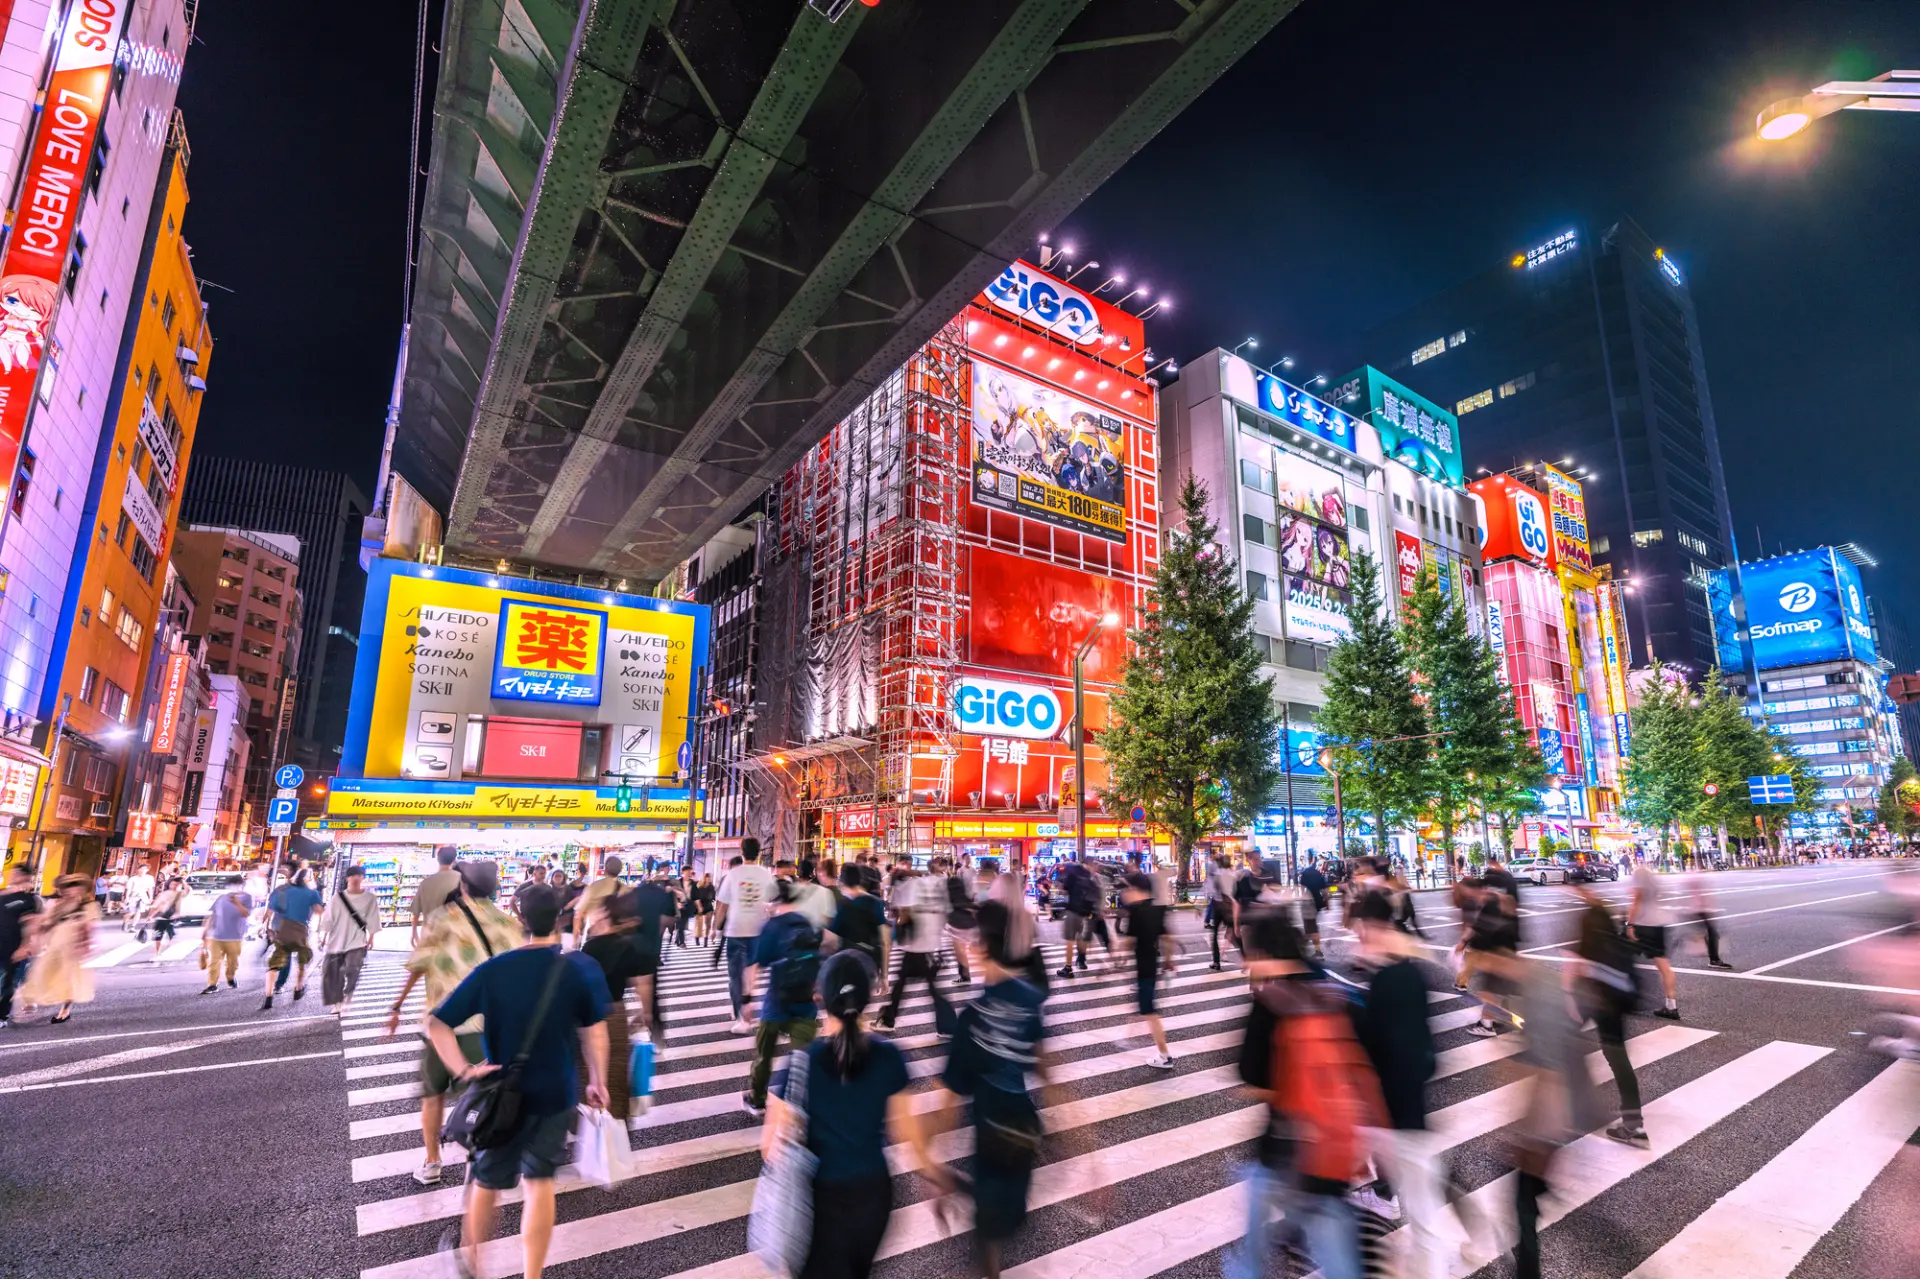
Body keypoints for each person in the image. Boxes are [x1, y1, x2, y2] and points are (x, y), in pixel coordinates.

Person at [426, 882, 609, 1279]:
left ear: (519, 917)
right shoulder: (579, 967)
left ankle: (472, 1261)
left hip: (502, 1092)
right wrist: (597, 1079)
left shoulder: (494, 971)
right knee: (540, 1182)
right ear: (560, 914)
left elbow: (437, 1023)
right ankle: (533, 1275)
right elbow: (594, 1031)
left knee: (487, 1181)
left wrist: (465, 1070)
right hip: (556, 1090)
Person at [758, 951, 949, 1279]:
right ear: (869, 996)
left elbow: (769, 1147)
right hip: (872, 1196)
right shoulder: (889, 1057)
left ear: (819, 995)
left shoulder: (799, 1065)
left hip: (819, 1201)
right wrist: (933, 1176)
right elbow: (908, 1134)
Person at [1229, 895, 1378, 1279]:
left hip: (1285, 1146)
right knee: (1334, 1236)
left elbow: (1252, 1074)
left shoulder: (1270, 1002)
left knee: (1253, 1245)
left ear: (1259, 950)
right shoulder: (1329, 988)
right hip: (1335, 1142)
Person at [387, 860, 523, 1185]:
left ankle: (432, 1162)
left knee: (432, 1095)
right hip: (486, 1029)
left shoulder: (442, 920)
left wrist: (396, 1007)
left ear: (463, 886)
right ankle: (477, 1161)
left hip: (442, 1026)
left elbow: (417, 966)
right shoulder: (510, 924)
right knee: (480, 1098)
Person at [941, 897, 1048, 1278]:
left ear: (985, 947)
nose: (967, 947)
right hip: (1024, 1127)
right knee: (1002, 1215)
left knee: (987, 1235)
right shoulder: (1028, 999)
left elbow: (948, 1102)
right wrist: (1085, 1149)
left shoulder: (972, 1019)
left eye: (972, 941)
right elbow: (1049, 1075)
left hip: (992, 1130)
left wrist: (926, 1161)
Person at [1349, 890, 1445, 1279]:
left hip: (1390, 1115)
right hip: (1410, 1113)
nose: (1357, 938)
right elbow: (1426, 1053)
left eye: (1359, 929)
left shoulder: (1389, 980)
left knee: (1419, 1211)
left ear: (1370, 926)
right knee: (1424, 1211)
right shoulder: (1409, 974)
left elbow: (1379, 1048)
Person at [1571, 882, 1648, 1148]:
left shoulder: (1589, 918)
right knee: (1616, 1056)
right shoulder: (1604, 914)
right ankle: (1631, 1121)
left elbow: (1579, 963)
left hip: (1601, 997)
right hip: (1616, 995)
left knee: (1566, 1042)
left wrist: (1570, 995)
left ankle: (1632, 1125)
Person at [742, 879, 824, 1116]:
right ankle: (804, 1107)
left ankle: (757, 1099)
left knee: (764, 1055)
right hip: (806, 1003)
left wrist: (747, 1000)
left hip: (776, 1003)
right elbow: (822, 955)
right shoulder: (809, 923)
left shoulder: (772, 926)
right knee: (804, 1058)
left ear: (774, 901)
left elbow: (755, 965)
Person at [880, 859, 953, 1034]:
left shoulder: (908, 886)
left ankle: (889, 1020)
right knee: (919, 984)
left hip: (918, 944)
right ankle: (947, 1025)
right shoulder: (937, 882)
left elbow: (903, 914)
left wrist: (896, 926)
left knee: (906, 982)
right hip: (930, 943)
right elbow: (946, 911)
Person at [716, 839, 776, 1034]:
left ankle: (740, 1015)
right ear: (759, 853)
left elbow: (722, 905)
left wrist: (716, 928)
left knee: (735, 975)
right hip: (758, 930)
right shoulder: (766, 874)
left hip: (735, 930)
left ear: (742, 852)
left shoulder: (733, 875)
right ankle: (747, 1007)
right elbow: (773, 901)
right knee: (750, 974)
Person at [21, 875, 98, 1024]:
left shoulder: (88, 906)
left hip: (72, 949)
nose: (69, 891)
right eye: (66, 888)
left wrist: (84, 945)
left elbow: (89, 928)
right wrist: (34, 931)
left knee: (70, 980)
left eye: (73, 887)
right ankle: (33, 1001)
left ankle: (64, 1011)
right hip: (54, 946)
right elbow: (45, 926)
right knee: (42, 974)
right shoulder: (56, 905)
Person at [1119, 872, 1176, 1068]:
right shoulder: (1157, 908)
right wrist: (1168, 960)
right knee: (1144, 1006)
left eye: (1127, 888)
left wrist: (1118, 955)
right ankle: (1128, 1035)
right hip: (1152, 963)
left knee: (1150, 1011)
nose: (1124, 893)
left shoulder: (1136, 911)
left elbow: (1129, 942)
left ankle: (1164, 1055)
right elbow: (1167, 938)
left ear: (1135, 890)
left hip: (1144, 968)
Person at [318, 865, 381, 1016]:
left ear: (363, 878)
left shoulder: (369, 898)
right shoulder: (337, 897)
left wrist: (371, 937)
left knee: (352, 969)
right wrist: (324, 936)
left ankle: (348, 994)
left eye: (359, 875)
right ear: (347, 878)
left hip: (357, 942)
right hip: (336, 941)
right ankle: (337, 1002)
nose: (355, 878)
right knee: (331, 973)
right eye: (353, 875)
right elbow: (328, 918)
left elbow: (373, 918)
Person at [625, 869, 678, 1040]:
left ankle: (633, 1027)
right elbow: (670, 922)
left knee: (624, 990)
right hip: (651, 949)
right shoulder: (664, 896)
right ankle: (652, 1031)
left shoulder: (633, 893)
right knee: (650, 992)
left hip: (631, 947)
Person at [1627, 860, 1681, 1018]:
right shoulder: (1652, 876)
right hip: (1659, 923)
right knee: (1664, 966)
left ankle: (1630, 998)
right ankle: (1671, 1006)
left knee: (1623, 958)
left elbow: (1637, 899)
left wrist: (1630, 923)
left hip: (1644, 925)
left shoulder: (1639, 873)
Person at [262, 868, 322, 1010]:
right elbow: (320, 912)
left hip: (282, 931)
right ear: (308, 879)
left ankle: (268, 996)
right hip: (300, 932)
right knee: (303, 960)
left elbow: (268, 913)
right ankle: (298, 988)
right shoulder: (312, 893)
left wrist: (265, 928)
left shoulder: (281, 890)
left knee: (275, 964)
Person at [828, 860, 888, 972]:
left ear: (842, 882)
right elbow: (884, 942)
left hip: (847, 963)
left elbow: (832, 941)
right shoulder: (876, 903)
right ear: (860, 880)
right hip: (870, 963)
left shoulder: (841, 906)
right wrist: (884, 975)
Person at [0, 864, 40, 1027]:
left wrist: (24, 946)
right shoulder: (1, 894)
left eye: (16, 873)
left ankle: (2, 1015)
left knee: (7, 981)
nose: (12, 875)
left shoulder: (27, 899)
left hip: (12, 945)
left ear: (25, 877)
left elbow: (30, 923)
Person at [198, 881, 254, 994]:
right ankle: (212, 985)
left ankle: (230, 977)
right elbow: (213, 914)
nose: (234, 887)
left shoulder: (247, 897)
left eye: (236, 885)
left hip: (235, 936)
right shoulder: (221, 897)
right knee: (214, 961)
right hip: (217, 935)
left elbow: (246, 914)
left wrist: (237, 902)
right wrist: (205, 930)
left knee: (232, 963)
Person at [1055, 859, 1100, 978]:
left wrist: (1061, 890)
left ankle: (1068, 968)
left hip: (1073, 911)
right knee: (1081, 937)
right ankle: (1081, 960)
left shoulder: (1073, 873)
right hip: (1086, 914)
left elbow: (1064, 890)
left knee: (1070, 940)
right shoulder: (1091, 878)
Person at [941, 855, 979, 986]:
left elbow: (949, 901)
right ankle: (964, 974)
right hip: (965, 919)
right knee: (962, 950)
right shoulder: (957, 878)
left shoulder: (951, 881)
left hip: (957, 922)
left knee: (960, 951)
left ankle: (965, 975)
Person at [411, 845, 462, 941]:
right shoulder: (462, 880)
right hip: (453, 934)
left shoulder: (426, 883)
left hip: (429, 933)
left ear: (438, 859)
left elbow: (416, 911)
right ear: (453, 860)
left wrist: (414, 933)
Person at [572, 856, 625, 948]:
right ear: (620, 871)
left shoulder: (594, 887)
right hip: (618, 939)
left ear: (605, 869)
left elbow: (578, 912)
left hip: (596, 937)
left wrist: (575, 936)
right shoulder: (626, 890)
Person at [146, 876, 184, 961]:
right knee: (158, 936)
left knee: (172, 936)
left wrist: (184, 882)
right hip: (162, 917)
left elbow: (189, 890)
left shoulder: (181, 894)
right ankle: (157, 953)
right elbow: (157, 906)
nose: (174, 886)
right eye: (173, 884)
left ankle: (168, 952)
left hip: (173, 918)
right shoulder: (163, 894)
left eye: (177, 884)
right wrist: (151, 916)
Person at [1297, 858, 1329, 956]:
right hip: (1316, 902)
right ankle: (1304, 948)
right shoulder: (1318, 874)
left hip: (1307, 902)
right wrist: (1327, 903)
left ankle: (1317, 951)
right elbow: (1325, 890)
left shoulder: (1305, 874)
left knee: (1310, 927)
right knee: (1310, 926)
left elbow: (1301, 889)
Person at [124, 865, 156, 930]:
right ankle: (125, 922)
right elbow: (129, 889)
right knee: (131, 913)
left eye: (144, 869)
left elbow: (150, 888)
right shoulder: (132, 879)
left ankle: (133, 927)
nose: (142, 870)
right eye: (141, 869)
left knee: (138, 912)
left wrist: (151, 897)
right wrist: (127, 897)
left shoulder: (150, 878)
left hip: (143, 897)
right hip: (133, 896)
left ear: (147, 870)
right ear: (138, 870)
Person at [693, 872, 716, 945]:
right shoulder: (700, 886)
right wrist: (699, 906)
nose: (709, 878)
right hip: (700, 905)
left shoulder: (712, 887)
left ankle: (706, 938)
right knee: (699, 923)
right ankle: (697, 937)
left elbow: (713, 897)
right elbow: (696, 897)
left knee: (708, 923)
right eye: (707, 877)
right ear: (704, 878)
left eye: (709, 877)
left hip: (708, 906)